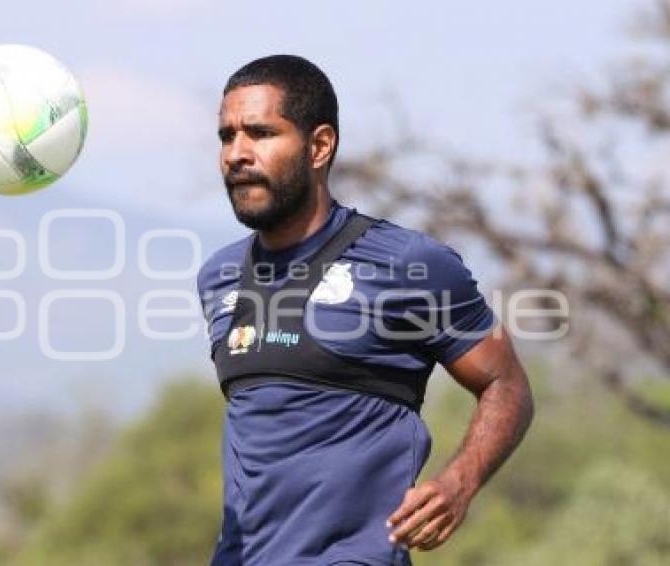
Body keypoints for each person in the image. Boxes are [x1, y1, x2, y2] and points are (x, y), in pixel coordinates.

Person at [197, 54, 534, 566]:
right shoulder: (220, 276)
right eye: (227, 136)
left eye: (260, 133)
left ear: (320, 146)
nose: (236, 154)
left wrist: (459, 482)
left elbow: (506, 385)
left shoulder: (409, 264)